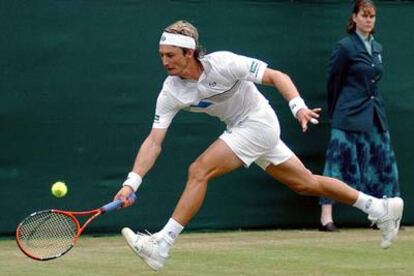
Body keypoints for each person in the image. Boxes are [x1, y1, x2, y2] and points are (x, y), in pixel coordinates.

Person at [114, 20, 403, 271]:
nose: (165, 61)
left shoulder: (225, 63)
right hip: (241, 129)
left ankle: (162, 244)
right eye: (161, 55)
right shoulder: (171, 90)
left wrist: (298, 107)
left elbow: (278, 76)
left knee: (199, 170)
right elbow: (154, 141)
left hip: (258, 122)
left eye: (171, 55)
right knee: (306, 183)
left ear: (189, 52)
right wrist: (131, 183)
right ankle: (380, 207)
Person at [318, 0, 401, 232]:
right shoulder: (345, 47)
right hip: (347, 115)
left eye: (372, 16)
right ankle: (326, 217)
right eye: (364, 15)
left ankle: (382, 217)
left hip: (375, 115)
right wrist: (336, 113)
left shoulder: (378, 48)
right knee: (336, 164)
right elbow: (333, 81)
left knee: (384, 162)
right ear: (354, 18)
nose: (368, 20)